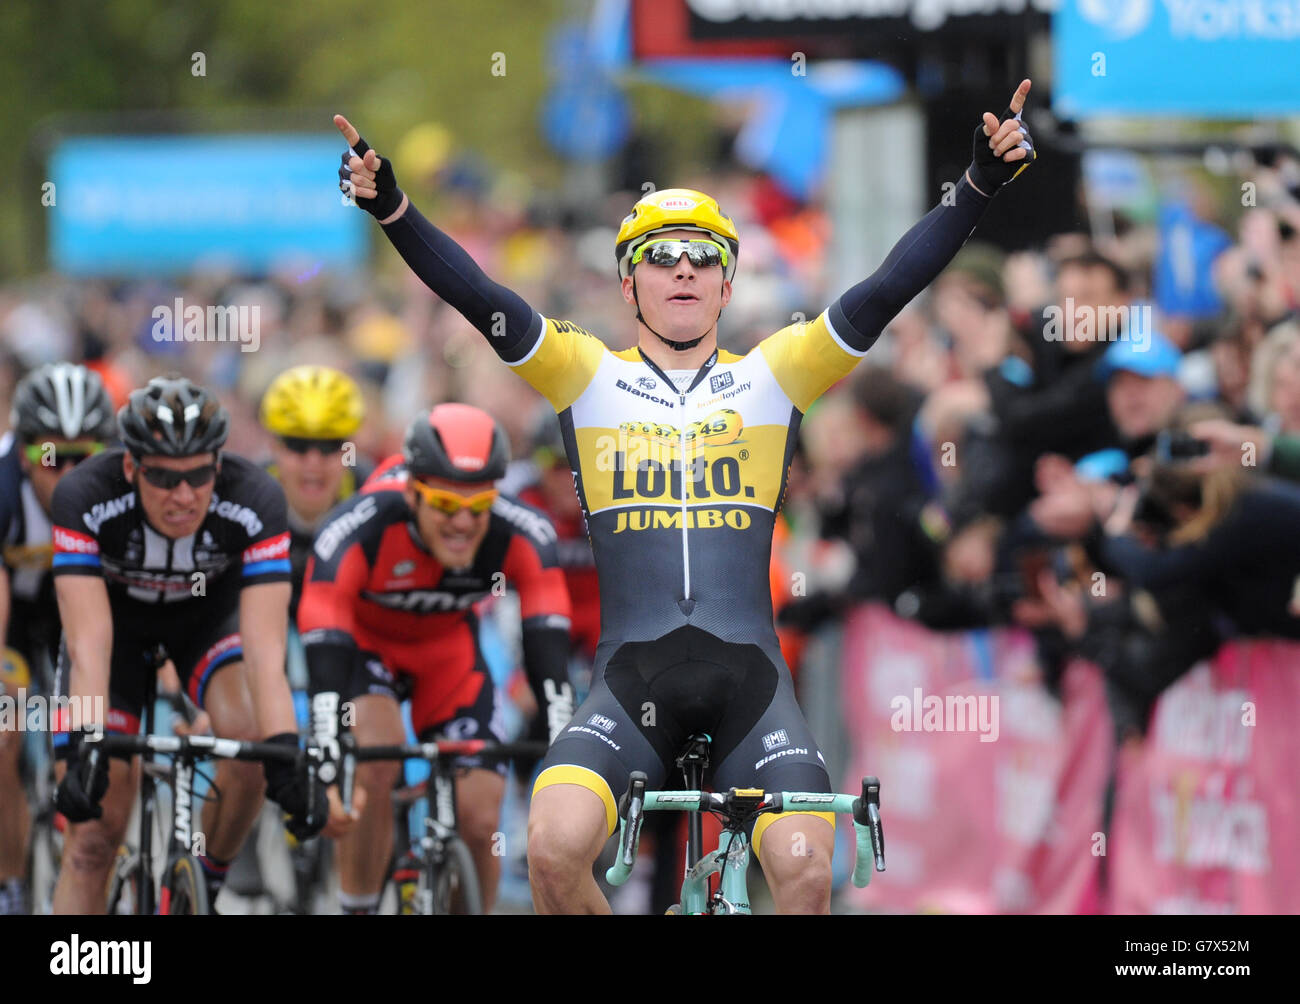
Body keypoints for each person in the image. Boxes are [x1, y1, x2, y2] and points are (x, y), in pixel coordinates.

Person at [333, 77, 1037, 914]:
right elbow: (480, 297)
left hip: (753, 686)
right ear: (628, 286)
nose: (682, 270)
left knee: (809, 872)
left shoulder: (775, 374)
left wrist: (979, 186)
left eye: (704, 257)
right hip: (630, 683)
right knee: (554, 855)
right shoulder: (582, 372)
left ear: (727, 286)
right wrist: (394, 209)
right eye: (659, 256)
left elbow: (887, 289)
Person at [49, 376, 326, 913]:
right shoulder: (84, 494)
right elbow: (88, 641)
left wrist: (286, 754)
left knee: (249, 743)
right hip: (116, 636)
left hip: (204, 625)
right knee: (91, 839)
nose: (184, 495)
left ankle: (203, 883)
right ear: (131, 468)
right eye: (163, 477)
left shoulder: (256, 499)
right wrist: (85, 736)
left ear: (218, 466)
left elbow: (267, 655)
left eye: (199, 475)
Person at [301, 403, 574, 914]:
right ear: (411, 493)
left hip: (448, 657)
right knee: (376, 763)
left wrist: (561, 742)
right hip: (366, 650)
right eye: (445, 506)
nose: (463, 524)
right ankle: (355, 906)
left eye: (479, 506)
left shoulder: (522, 531)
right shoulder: (358, 529)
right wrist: (324, 753)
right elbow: (325, 631)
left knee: (477, 814)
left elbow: (548, 650)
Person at [0, 364, 116, 914]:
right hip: (14, 620)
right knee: (4, 726)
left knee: (96, 726)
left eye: (83, 455)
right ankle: (11, 886)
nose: (68, 471)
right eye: (52, 456)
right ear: (24, 452)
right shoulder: (1, 488)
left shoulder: (118, 489)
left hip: (80, 610)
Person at [259, 364, 371, 623]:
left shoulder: (369, 493)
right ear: (274, 448)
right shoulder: (251, 497)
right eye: (298, 445)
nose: (313, 462)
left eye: (329, 446)